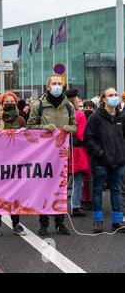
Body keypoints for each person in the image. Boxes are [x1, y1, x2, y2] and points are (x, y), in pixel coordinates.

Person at [27, 74, 77, 236]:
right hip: (43, 156)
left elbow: (74, 125)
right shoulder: (39, 105)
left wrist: (70, 128)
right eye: (54, 83)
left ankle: (60, 223)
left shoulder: (68, 106)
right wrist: (43, 127)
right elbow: (30, 126)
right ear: (48, 86)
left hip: (62, 156)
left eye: (59, 83)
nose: (57, 86)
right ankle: (43, 223)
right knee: (44, 189)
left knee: (60, 189)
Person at [84, 87, 125, 233]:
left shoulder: (121, 117)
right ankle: (97, 221)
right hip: (100, 162)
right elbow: (88, 139)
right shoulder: (95, 117)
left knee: (116, 190)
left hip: (118, 162)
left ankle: (117, 221)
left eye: (115, 94)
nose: (114, 97)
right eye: (111, 95)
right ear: (103, 99)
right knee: (97, 190)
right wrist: (100, 153)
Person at [0, 92, 27, 237]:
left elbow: (29, 141)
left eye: (12, 101)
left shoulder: (21, 120)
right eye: (7, 101)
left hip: (15, 162)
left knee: (15, 193)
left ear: (16, 103)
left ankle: (16, 223)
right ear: (2, 104)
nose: (9, 103)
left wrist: (24, 134)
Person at [65, 89, 89, 217]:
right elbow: (81, 135)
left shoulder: (62, 113)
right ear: (75, 100)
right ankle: (75, 205)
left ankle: (57, 205)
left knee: (62, 180)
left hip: (62, 149)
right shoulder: (79, 114)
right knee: (78, 180)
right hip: (77, 151)